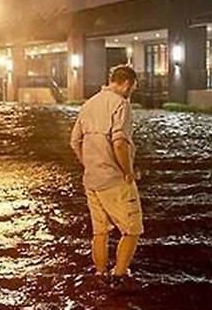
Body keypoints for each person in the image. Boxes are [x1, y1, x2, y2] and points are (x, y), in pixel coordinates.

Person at [69, 65, 143, 288]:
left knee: (100, 231)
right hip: (114, 180)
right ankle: (120, 274)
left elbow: (74, 142)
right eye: (133, 87)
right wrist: (128, 171)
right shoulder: (121, 104)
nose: (132, 91)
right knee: (132, 229)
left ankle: (100, 274)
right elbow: (119, 142)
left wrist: (89, 164)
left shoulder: (89, 104)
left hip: (91, 179)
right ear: (127, 83)